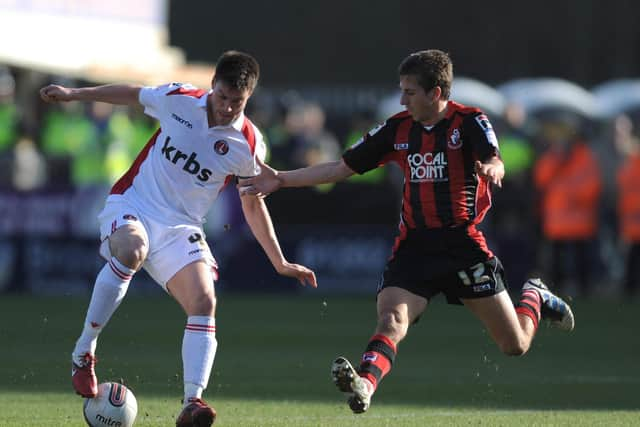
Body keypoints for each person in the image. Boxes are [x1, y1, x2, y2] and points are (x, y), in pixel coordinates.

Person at [239, 49, 574, 414]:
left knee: (515, 345)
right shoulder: (397, 128)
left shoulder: (470, 121)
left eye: (409, 92)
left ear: (435, 93)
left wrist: (494, 168)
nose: (402, 99)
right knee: (392, 319)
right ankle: (365, 385)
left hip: (463, 245)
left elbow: (495, 157)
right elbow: (340, 167)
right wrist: (281, 180)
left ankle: (534, 296)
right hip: (414, 247)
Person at [40, 50, 317, 427]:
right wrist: (75, 95)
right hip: (133, 203)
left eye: (237, 102)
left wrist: (279, 261)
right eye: (222, 97)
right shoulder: (180, 100)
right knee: (133, 249)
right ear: (212, 86)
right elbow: (132, 94)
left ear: (248, 97)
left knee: (204, 300)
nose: (227, 108)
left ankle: (192, 403)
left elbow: (253, 204)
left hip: (181, 227)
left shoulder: (248, 144)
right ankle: (84, 351)